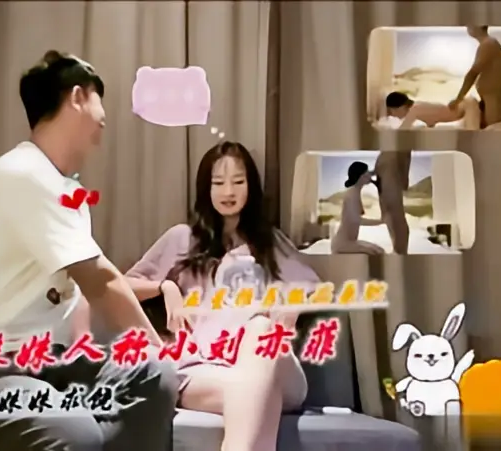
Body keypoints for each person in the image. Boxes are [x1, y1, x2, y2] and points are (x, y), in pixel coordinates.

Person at [0, 50, 178, 451]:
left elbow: (85, 292)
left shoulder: (66, 191)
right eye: (99, 99)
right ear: (78, 97)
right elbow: (100, 280)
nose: (104, 116)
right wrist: (158, 343)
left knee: (151, 374)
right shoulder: (22, 172)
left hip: (44, 364)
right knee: (78, 433)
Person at [78, 141, 321, 451]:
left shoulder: (268, 242)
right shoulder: (182, 238)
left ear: (251, 186)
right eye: (218, 183)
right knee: (254, 396)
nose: (228, 191)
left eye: (238, 181)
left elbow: (314, 287)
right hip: (201, 370)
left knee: (260, 329)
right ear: (206, 188)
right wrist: (166, 287)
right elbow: (121, 285)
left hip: (271, 367)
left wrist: (292, 306)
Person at [448, 26, 501, 128]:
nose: (468, 27)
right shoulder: (488, 44)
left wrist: (458, 99)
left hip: (493, 98)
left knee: (492, 129)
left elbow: (472, 74)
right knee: (489, 127)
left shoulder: (488, 44)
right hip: (490, 97)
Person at [330, 162, 385, 255]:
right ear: (361, 176)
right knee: (378, 253)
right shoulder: (352, 194)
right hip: (343, 244)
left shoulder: (355, 190)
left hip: (350, 241)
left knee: (380, 250)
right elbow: (357, 220)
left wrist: (377, 170)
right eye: (367, 172)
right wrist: (382, 221)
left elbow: (367, 174)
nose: (370, 175)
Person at [374, 151, 411, 255]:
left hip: (387, 163)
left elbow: (406, 155)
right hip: (387, 164)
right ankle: (399, 250)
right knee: (390, 212)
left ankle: (399, 250)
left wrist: (404, 176)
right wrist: (405, 177)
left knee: (391, 211)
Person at [384, 91, 481, 129]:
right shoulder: (417, 107)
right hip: (465, 105)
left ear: (401, 107)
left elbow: (402, 131)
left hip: (467, 104)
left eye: (391, 111)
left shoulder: (414, 110)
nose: (392, 115)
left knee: (473, 137)